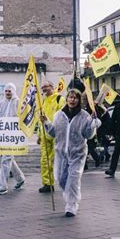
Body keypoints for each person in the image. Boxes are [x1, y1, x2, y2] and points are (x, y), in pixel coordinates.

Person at [41, 89, 101, 217]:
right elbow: (53, 133)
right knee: (61, 180)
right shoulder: (59, 115)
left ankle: (71, 206)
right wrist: (46, 122)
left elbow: (88, 135)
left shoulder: (84, 116)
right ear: (67, 99)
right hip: (61, 154)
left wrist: (93, 125)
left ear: (79, 100)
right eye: (70, 97)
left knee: (73, 179)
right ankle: (69, 194)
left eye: (75, 98)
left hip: (77, 154)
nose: (72, 100)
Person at [0, 83, 25, 195]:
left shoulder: (19, 103)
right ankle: (20, 179)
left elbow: (23, 117)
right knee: (8, 158)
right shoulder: (1, 104)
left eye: (9, 91)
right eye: (6, 91)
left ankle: (2, 186)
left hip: (14, 136)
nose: (7, 93)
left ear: (14, 91)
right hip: (3, 136)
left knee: (6, 159)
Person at [38, 81, 65, 193]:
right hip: (45, 134)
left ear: (52, 87)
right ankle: (47, 183)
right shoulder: (43, 101)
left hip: (56, 134)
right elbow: (41, 119)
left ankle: (62, 180)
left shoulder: (60, 99)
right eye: (43, 87)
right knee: (44, 160)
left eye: (46, 87)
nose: (44, 89)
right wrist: (40, 134)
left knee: (57, 160)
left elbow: (63, 117)